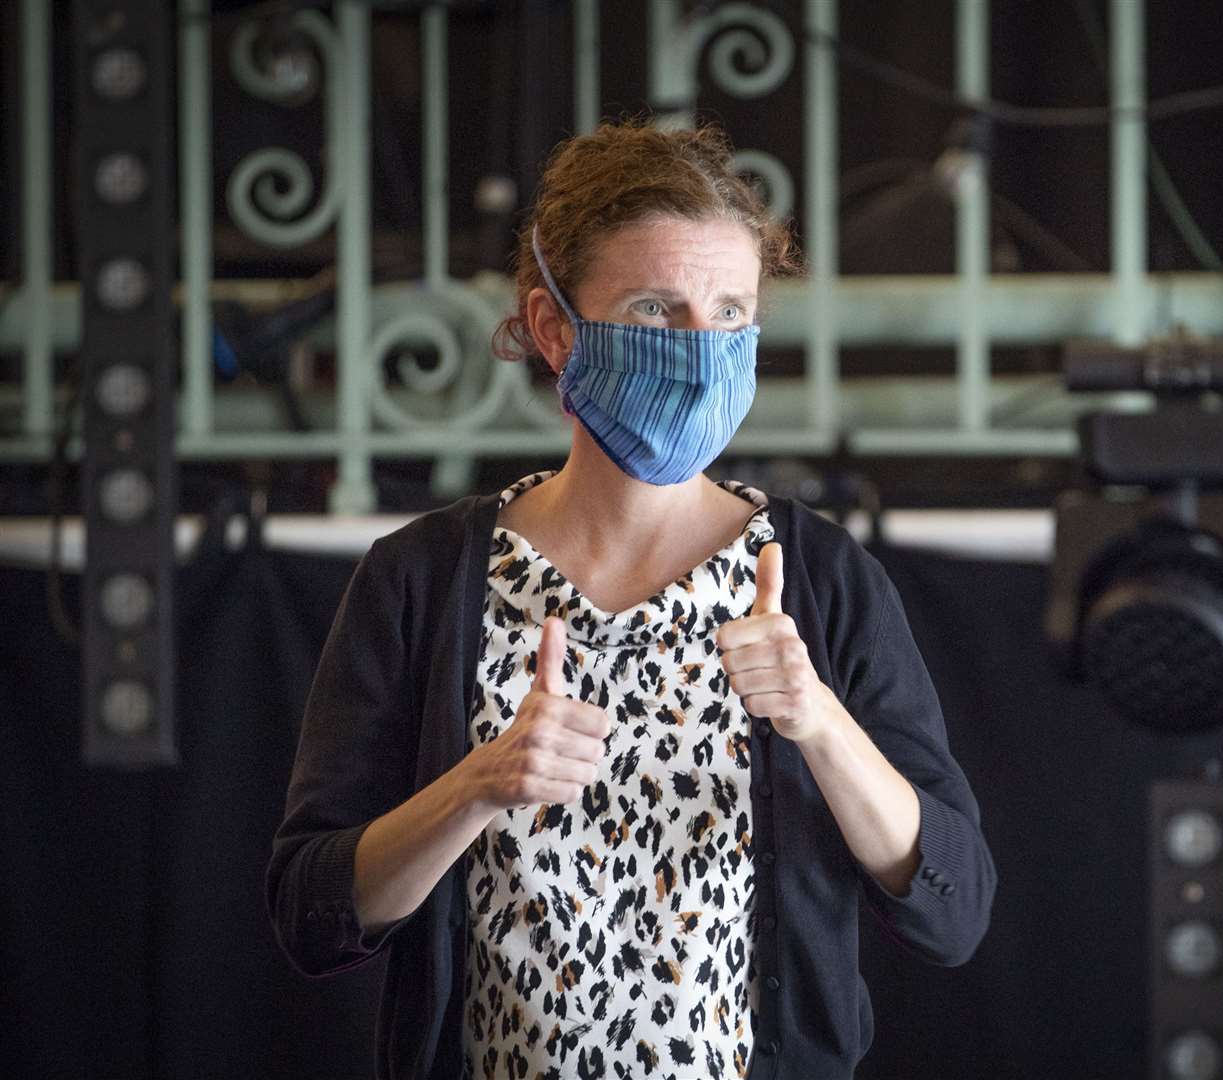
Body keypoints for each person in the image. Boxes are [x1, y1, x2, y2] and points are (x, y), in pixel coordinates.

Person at [267, 120, 996, 1080]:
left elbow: (954, 910)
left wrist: (819, 723)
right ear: (552, 328)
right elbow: (312, 918)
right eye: (655, 311)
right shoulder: (420, 578)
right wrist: (477, 785)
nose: (701, 350)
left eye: (731, 314)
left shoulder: (818, 577)